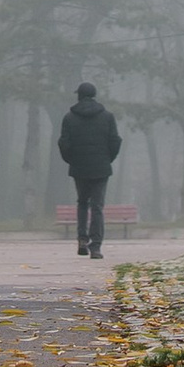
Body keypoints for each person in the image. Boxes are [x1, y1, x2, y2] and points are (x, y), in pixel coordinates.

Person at [57, 80, 121, 258]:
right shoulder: (107, 117)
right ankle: (96, 246)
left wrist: (72, 160)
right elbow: (115, 141)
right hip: (101, 167)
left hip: (79, 168)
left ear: (79, 95)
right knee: (98, 206)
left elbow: (64, 143)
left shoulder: (69, 118)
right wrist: (107, 159)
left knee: (82, 203)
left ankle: (82, 239)